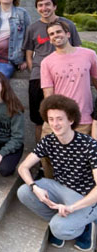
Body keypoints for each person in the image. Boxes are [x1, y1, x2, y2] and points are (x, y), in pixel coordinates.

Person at [17, 95, 97, 251]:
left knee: (58, 228)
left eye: (60, 119)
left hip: (85, 197)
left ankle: (85, 225)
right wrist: (35, 187)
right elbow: (23, 167)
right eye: (51, 119)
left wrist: (73, 208)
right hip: (60, 188)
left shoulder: (89, 145)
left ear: (71, 120)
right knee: (24, 191)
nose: (55, 124)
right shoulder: (49, 141)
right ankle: (64, 217)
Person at [40, 19, 97, 178]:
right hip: (56, 120)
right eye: (51, 34)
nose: (55, 36)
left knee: (84, 162)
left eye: (58, 32)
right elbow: (48, 95)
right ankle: (51, 186)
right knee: (46, 156)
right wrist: (50, 120)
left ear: (67, 34)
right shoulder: (47, 62)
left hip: (83, 120)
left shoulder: (89, 55)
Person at [23, 0, 81, 143]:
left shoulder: (68, 25)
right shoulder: (32, 28)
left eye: (47, 4)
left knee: (68, 117)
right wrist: (34, 71)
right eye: (40, 5)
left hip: (65, 76)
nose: (44, 8)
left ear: (54, 6)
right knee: (39, 120)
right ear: (37, 9)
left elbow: (77, 50)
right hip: (39, 77)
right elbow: (29, 54)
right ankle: (43, 160)